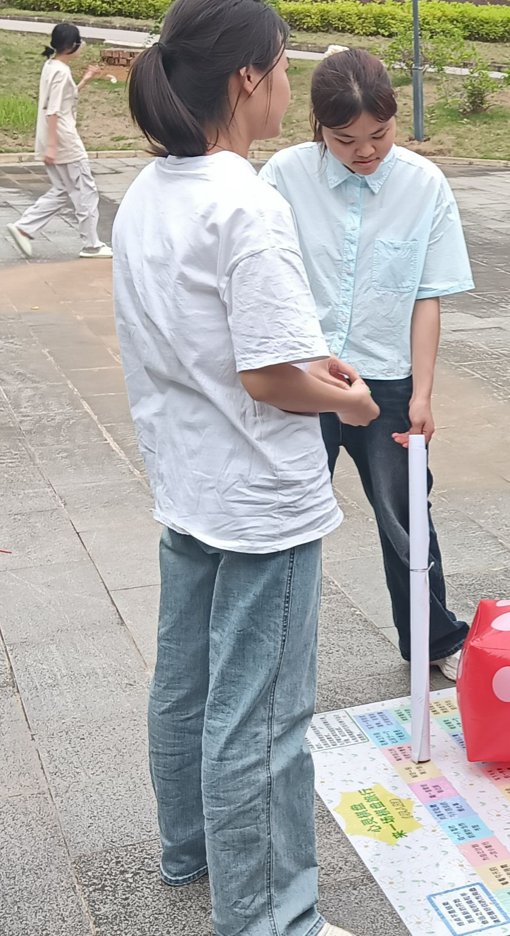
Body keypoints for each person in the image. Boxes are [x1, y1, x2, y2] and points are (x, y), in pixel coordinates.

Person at [112, 2, 380, 935]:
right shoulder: (247, 202)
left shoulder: (151, 190)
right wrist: (348, 401)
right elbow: (269, 377)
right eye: (283, 66)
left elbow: (215, 346)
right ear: (246, 79)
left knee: (186, 684)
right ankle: (272, 918)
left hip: (189, 482)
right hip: (261, 497)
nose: (286, 84)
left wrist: (307, 371)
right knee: (261, 717)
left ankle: (189, 847)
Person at [260, 49, 474, 674]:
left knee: (405, 515)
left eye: (379, 134)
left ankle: (435, 640)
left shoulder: (423, 185)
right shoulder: (283, 176)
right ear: (318, 126)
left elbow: (426, 296)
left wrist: (423, 394)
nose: (365, 151)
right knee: (288, 517)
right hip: (305, 379)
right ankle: (274, 651)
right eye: (344, 139)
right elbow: (267, 285)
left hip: (388, 383)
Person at [6, 24, 110, 260]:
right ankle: (92, 245)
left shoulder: (52, 65)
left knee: (62, 190)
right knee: (85, 191)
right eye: (80, 42)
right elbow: (53, 111)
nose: (82, 45)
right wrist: (53, 147)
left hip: (52, 138)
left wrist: (84, 80)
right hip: (64, 141)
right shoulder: (61, 72)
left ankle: (24, 228)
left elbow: (62, 99)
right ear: (72, 46)